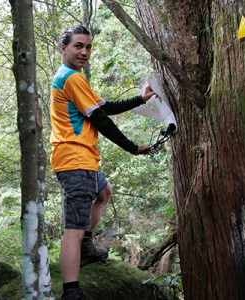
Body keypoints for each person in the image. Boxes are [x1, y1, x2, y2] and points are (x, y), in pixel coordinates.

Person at [50, 25, 156, 300]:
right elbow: (100, 120)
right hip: (75, 160)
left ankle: (86, 246)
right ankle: (71, 291)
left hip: (82, 160)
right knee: (73, 228)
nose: (84, 52)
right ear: (64, 48)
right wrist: (131, 147)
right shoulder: (71, 78)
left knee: (104, 192)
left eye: (88, 47)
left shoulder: (73, 78)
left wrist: (139, 99)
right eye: (78, 46)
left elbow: (104, 107)